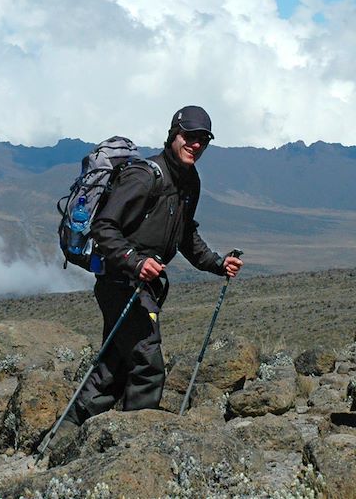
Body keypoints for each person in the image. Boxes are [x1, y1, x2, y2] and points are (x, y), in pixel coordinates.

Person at [58, 106, 243, 433]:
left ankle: (66, 436)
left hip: (145, 285)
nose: (196, 145)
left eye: (203, 139)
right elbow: (104, 226)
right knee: (147, 365)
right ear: (174, 134)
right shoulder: (145, 176)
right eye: (190, 136)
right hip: (120, 282)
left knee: (113, 370)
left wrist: (218, 263)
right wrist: (136, 261)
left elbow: (185, 234)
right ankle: (135, 445)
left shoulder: (190, 181)